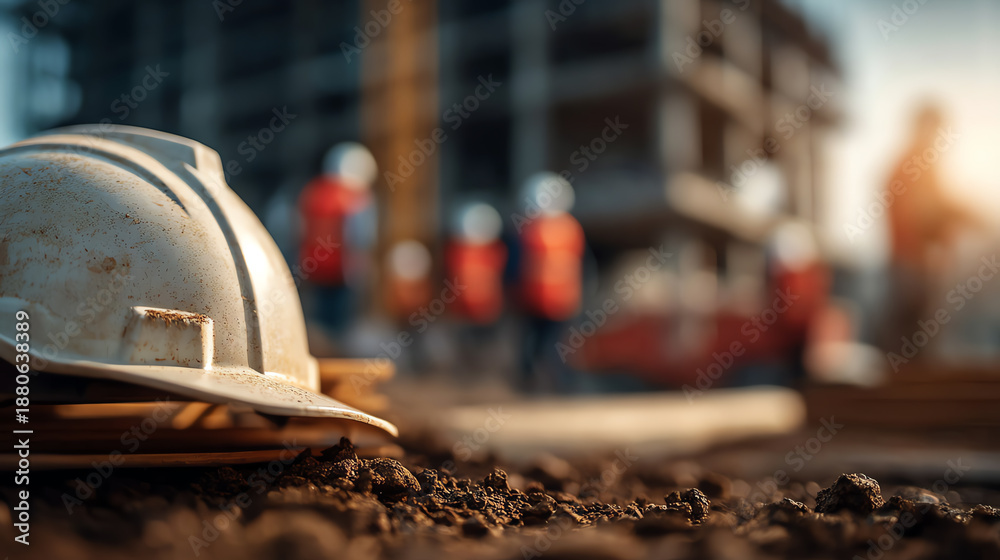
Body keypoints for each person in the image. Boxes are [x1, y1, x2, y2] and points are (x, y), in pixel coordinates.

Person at [884, 104, 983, 351]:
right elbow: (924, 214)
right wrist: (966, 214)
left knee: (915, 339)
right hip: (914, 266)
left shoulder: (917, 164)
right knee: (914, 342)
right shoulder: (913, 165)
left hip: (914, 265)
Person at [297, 142, 378, 344]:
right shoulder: (357, 199)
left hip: (314, 271)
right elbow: (360, 239)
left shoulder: (312, 193)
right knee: (341, 329)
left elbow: (297, 232)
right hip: (343, 275)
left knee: (318, 323)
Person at [516, 172, 585, 392]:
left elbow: (516, 267)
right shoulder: (571, 228)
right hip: (559, 301)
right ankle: (559, 386)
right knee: (555, 345)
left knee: (538, 345)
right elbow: (583, 265)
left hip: (539, 301)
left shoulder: (530, 231)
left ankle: (534, 384)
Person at [445, 202, 508, 374]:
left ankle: (483, 375)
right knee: (467, 347)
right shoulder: (459, 252)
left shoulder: (493, 251)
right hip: (465, 311)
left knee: (485, 347)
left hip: (486, 311)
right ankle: (468, 375)